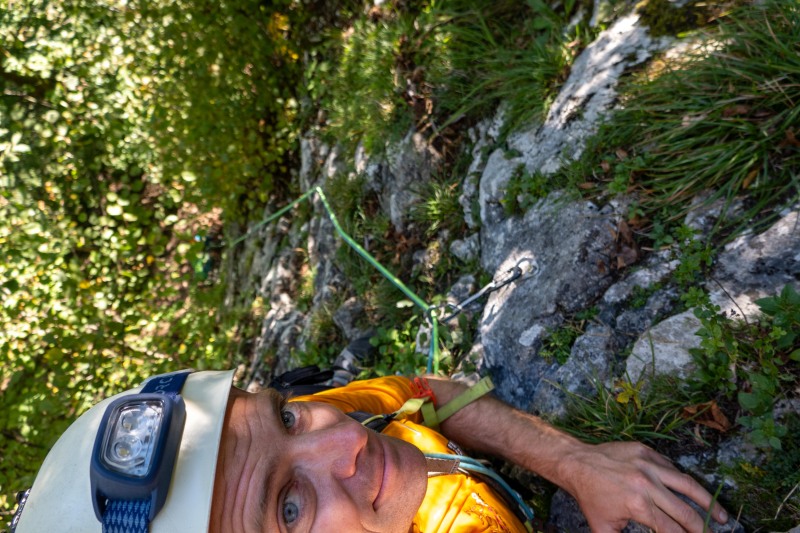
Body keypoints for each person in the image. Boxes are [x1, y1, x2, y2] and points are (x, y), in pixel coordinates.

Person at [11, 368, 730, 533]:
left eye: (286, 416)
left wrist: (574, 462)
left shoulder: (340, 424)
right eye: (288, 508)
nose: (348, 441)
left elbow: (418, 392)